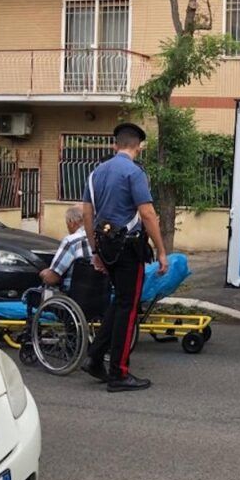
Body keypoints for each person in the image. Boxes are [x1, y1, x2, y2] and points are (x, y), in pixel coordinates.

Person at [80, 123, 168, 393]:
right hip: (129, 248)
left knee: (119, 303)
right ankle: (119, 372)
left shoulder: (96, 173)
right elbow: (148, 214)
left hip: (106, 247)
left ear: (114, 145)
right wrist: (162, 251)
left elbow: (86, 214)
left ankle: (95, 358)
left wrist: (95, 251)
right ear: (138, 147)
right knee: (128, 309)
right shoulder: (134, 172)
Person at [38, 204, 91, 292]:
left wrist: (43, 274)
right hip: (101, 294)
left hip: (73, 293)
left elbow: (52, 279)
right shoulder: (101, 238)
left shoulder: (72, 241)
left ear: (72, 223)